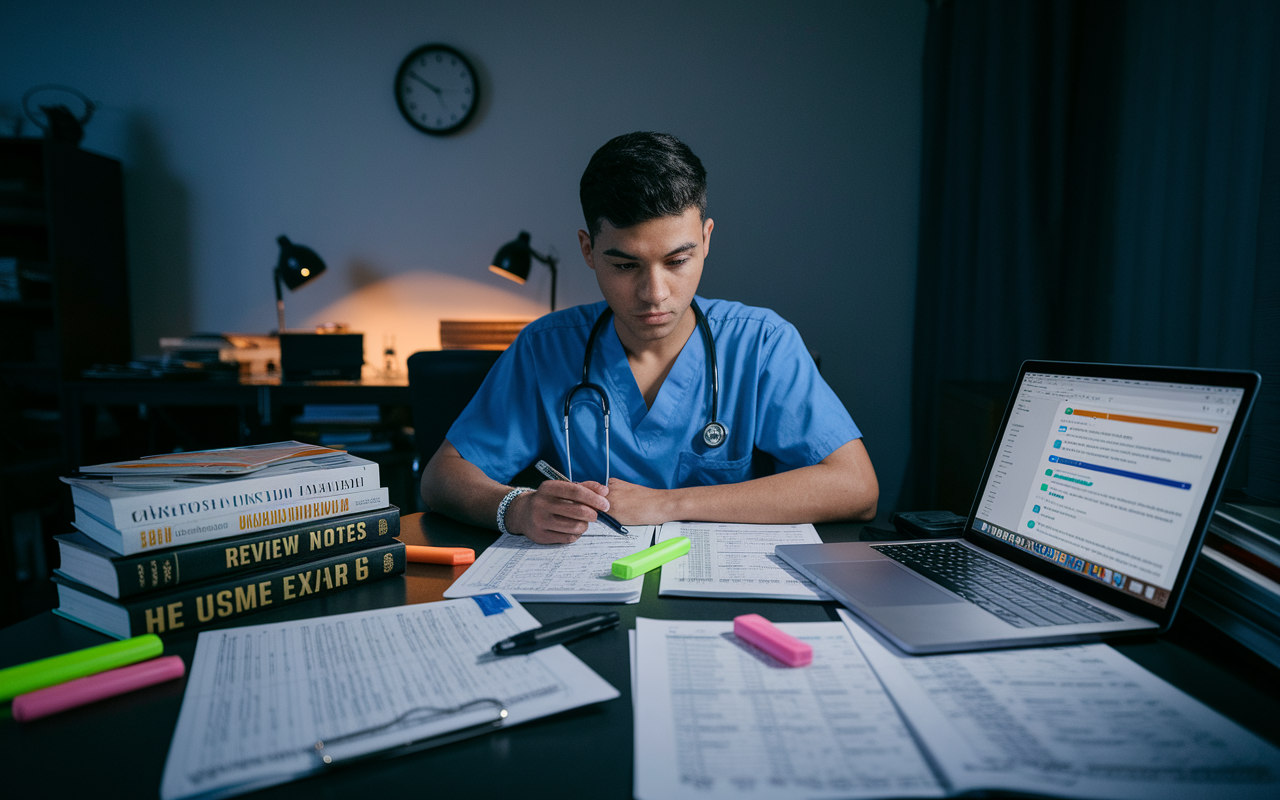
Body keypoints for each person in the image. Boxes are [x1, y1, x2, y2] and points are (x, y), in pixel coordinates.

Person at [421, 131, 878, 544]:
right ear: (588, 250)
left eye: (678, 261)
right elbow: (441, 477)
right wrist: (516, 509)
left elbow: (857, 488)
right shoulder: (545, 348)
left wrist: (667, 504)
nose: (654, 294)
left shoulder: (762, 343)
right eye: (625, 266)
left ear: (706, 238)